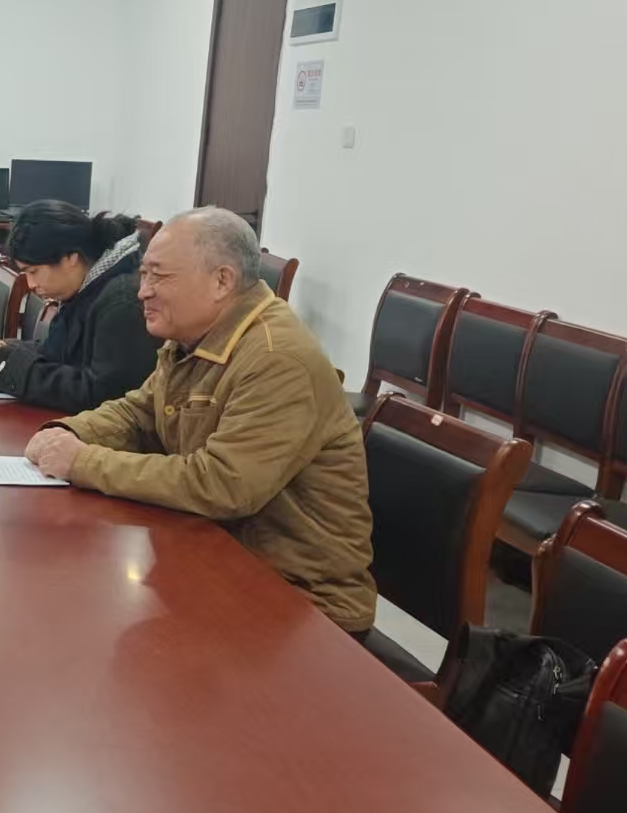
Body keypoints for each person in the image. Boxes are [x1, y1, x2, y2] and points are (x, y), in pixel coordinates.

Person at [24, 207, 376, 634]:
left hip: (301, 603)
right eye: (144, 275)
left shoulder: (277, 359)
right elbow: (140, 411)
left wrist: (81, 461)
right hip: (219, 560)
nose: (143, 292)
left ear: (221, 281)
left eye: (159, 277)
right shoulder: (194, 336)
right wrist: (69, 432)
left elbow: (222, 485)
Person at [0, 202, 158, 411]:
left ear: (70, 258)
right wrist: (10, 352)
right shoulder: (85, 287)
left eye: (33, 271)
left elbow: (102, 395)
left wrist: (12, 369)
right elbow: (62, 354)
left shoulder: (123, 303)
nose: (30, 284)